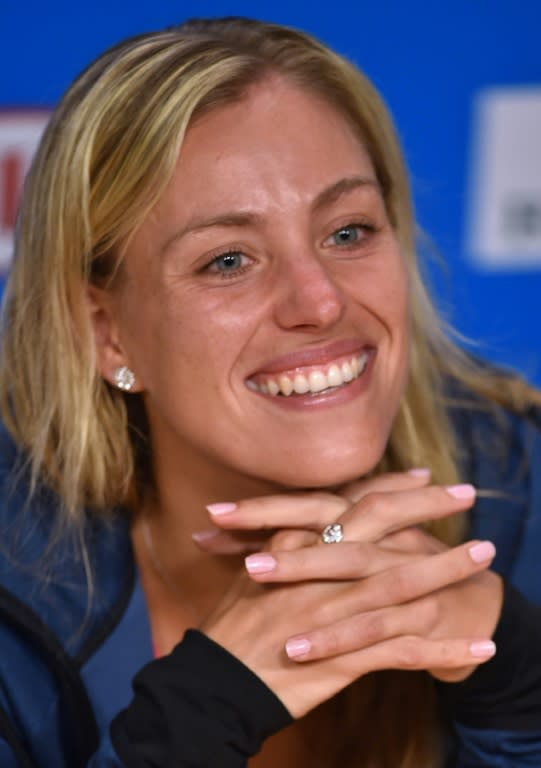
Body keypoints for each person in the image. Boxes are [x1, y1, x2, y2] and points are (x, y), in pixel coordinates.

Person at [0, 15, 539, 768]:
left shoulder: (522, 490)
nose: (318, 301)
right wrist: (189, 722)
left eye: (347, 232)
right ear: (106, 332)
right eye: (227, 260)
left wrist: (519, 681)